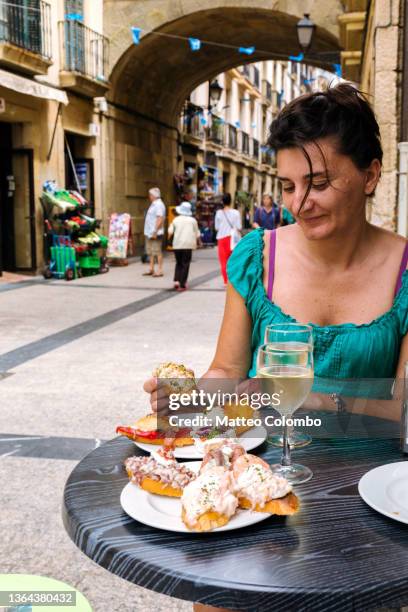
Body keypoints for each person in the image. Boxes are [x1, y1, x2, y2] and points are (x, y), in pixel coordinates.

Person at [144, 84, 408, 612]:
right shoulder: (255, 255)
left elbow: (402, 406)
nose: (297, 204)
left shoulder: (405, 268)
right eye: (287, 186)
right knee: (220, 599)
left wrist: (317, 400)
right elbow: (228, 368)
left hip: (374, 494)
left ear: (371, 174)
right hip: (262, 471)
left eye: (318, 183)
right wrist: (189, 398)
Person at [168, 201, 201, 291]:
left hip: (177, 244)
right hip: (188, 245)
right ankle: (182, 284)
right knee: (185, 263)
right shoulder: (193, 220)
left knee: (178, 262)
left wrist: (169, 240)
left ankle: (177, 281)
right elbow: (197, 233)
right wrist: (199, 242)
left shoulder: (176, 220)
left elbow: (170, 231)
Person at [214, 193, 242, 285]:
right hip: (233, 239)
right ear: (231, 201)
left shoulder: (218, 213)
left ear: (222, 201)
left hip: (222, 238)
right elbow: (239, 227)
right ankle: (234, 279)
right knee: (234, 260)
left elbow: (216, 227)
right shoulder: (236, 213)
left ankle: (226, 281)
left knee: (223, 261)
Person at [143, 187, 166, 277]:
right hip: (149, 232)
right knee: (151, 251)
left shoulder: (158, 205)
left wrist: (155, 231)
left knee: (157, 251)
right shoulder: (154, 204)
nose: (149, 196)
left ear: (154, 195)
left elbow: (160, 218)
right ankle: (151, 269)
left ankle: (160, 270)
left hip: (155, 232)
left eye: (150, 195)